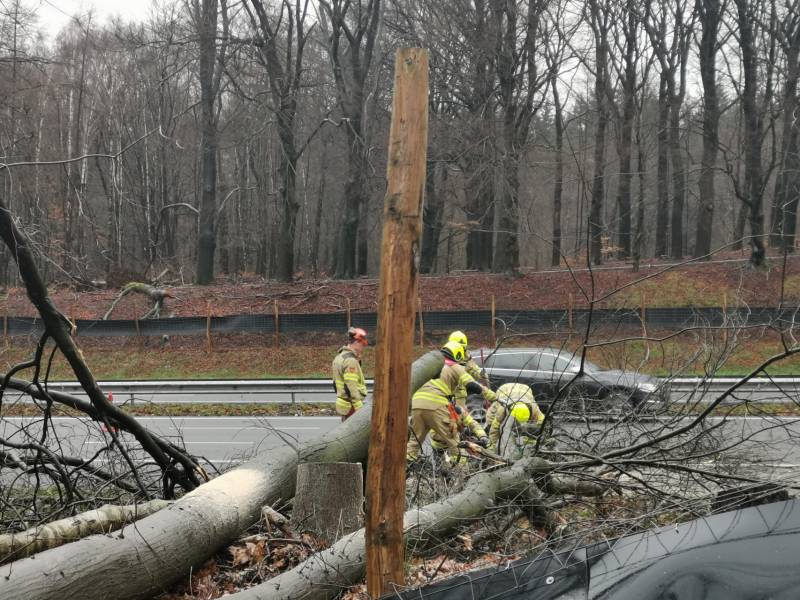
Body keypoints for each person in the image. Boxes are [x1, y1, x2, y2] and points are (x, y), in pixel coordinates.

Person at [406, 342, 494, 464]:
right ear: (458, 355)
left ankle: (407, 468)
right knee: (455, 445)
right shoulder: (455, 366)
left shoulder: (432, 366)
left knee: (414, 443)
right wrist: (493, 396)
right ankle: (462, 474)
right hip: (436, 404)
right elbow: (472, 385)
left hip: (417, 404)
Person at [488, 382, 545, 459]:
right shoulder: (502, 410)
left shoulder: (534, 409)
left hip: (525, 389)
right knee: (490, 420)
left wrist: (535, 442)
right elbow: (494, 430)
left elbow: (543, 426)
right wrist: (494, 447)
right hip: (503, 390)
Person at [331, 326, 369, 421]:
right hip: (351, 406)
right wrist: (359, 407)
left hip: (344, 404)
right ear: (356, 342)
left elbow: (336, 383)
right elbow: (351, 386)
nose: (363, 348)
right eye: (362, 345)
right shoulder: (350, 361)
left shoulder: (339, 357)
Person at [447, 330, 488, 409]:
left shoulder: (466, 356)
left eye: (463, 347)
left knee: (460, 417)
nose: (461, 349)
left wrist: (480, 373)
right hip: (445, 393)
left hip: (460, 395)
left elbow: (473, 368)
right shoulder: (443, 357)